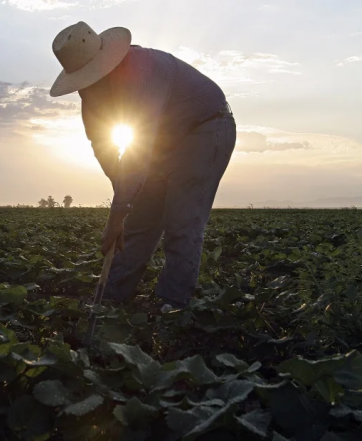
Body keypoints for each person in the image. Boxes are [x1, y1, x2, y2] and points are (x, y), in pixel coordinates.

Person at [49, 22, 236, 312]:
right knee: (139, 222)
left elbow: (139, 143)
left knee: (181, 222)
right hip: (164, 141)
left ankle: (172, 305)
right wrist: (125, 199)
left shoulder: (144, 69)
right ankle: (112, 297)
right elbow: (104, 147)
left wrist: (116, 211)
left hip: (206, 128)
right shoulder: (90, 96)